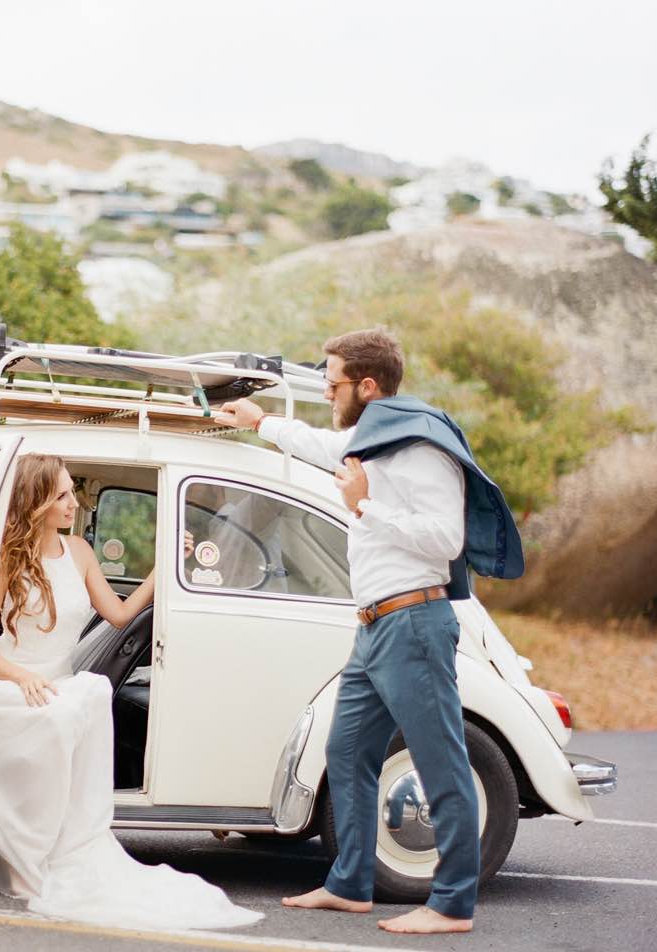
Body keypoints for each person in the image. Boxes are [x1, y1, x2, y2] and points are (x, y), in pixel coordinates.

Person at [216, 327, 522, 936]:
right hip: (374, 628)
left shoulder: (419, 445)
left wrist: (364, 505)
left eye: (332, 383)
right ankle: (351, 884)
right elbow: (322, 443)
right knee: (347, 751)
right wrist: (259, 423)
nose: (327, 392)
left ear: (368, 385)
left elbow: (445, 540)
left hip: (413, 621)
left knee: (440, 761)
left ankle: (453, 904)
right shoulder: (372, 436)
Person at [0, 453, 263, 931]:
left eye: (70, 493)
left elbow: (119, 616)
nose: (73, 503)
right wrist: (20, 677)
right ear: (36, 502)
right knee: (58, 715)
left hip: (57, 680)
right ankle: (24, 853)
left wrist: (165, 568)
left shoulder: (79, 552)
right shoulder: (5, 557)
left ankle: (56, 847)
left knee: (89, 699)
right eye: (61, 495)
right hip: (9, 679)